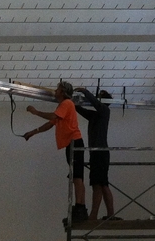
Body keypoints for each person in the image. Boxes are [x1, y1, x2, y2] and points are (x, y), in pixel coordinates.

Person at [23, 80, 88, 223]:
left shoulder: (67, 103)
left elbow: (53, 117)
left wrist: (36, 112)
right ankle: (80, 208)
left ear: (63, 92)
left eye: (58, 89)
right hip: (72, 144)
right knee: (76, 177)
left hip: (74, 143)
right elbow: (50, 124)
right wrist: (33, 132)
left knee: (77, 177)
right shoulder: (63, 106)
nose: (55, 91)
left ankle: (80, 208)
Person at [75, 87, 117, 220]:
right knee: (100, 184)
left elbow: (95, 103)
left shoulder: (105, 111)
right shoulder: (96, 115)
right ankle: (105, 214)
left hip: (100, 153)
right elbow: (81, 110)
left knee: (100, 184)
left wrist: (85, 91)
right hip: (96, 153)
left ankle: (97, 215)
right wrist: (70, 103)